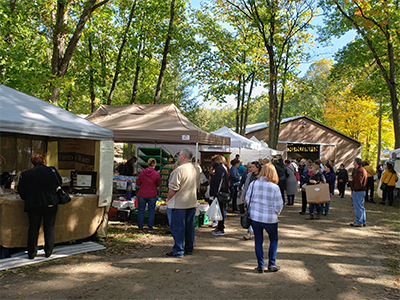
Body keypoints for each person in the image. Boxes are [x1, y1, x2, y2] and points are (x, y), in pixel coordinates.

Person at [17, 153, 61, 259]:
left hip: (34, 203)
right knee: (49, 228)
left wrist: (26, 198)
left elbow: (21, 190)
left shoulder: (27, 173)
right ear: (44, 161)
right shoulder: (52, 171)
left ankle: (32, 253)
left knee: (33, 228)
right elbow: (59, 183)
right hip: (50, 202)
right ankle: (48, 251)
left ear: (32, 163)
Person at [245, 163, 283, 273]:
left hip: (256, 217)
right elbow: (279, 204)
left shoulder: (253, 184)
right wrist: (276, 213)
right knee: (273, 239)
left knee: (258, 241)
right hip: (270, 218)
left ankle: (260, 265)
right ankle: (272, 263)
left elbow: (248, 199)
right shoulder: (274, 187)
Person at [166, 149, 200, 257]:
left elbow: (173, 188)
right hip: (191, 202)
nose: (178, 157)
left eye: (179, 155)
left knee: (178, 228)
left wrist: (168, 199)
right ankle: (189, 248)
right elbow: (198, 185)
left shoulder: (178, 170)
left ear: (184, 156)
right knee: (190, 227)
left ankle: (178, 250)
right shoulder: (196, 169)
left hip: (179, 203)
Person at [136, 158, 161, 233]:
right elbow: (158, 184)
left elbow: (138, 183)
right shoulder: (156, 174)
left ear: (148, 163)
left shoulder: (142, 173)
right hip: (152, 195)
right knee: (151, 211)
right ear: (155, 164)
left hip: (142, 194)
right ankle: (150, 228)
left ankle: (140, 228)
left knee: (141, 211)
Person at [240, 161, 262, 240]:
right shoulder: (249, 175)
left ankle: (255, 231)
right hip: (250, 198)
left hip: (258, 199)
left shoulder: (261, 177)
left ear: (257, 168)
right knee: (250, 215)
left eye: (253, 167)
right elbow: (246, 186)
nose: (251, 168)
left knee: (256, 216)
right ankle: (249, 232)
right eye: (250, 167)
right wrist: (244, 196)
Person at [209, 155, 229, 236]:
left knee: (221, 210)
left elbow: (218, 182)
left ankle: (221, 228)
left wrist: (214, 194)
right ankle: (220, 226)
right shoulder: (222, 168)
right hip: (222, 192)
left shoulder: (219, 169)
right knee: (221, 210)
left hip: (220, 193)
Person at [350, 158, 368, 227]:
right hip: (361, 190)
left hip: (358, 191)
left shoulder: (359, 171)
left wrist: (354, 188)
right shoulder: (362, 170)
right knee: (361, 207)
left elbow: (359, 182)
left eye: (354, 162)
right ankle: (363, 220)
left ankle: (359, 221)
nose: (353, 163)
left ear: (356, 162)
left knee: (358, 207)